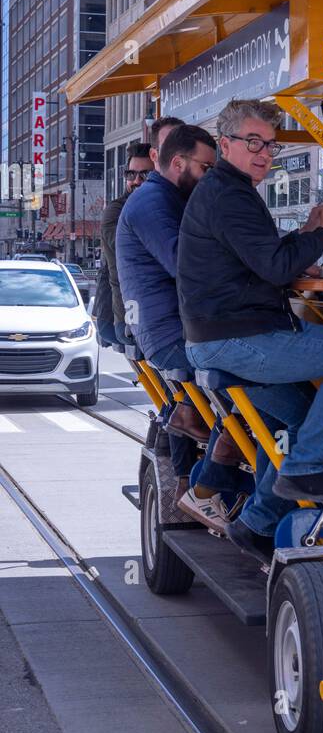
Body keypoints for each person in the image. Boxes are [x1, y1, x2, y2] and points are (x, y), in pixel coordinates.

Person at [178, 98, 323, 561]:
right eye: (253, 142)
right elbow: (274, 267)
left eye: (270, 144)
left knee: (307, 412)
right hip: (236, 337)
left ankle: (257, 522)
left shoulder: (230, 191)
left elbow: (261, 259)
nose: (264, 152)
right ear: (226, 145)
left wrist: (307, 231)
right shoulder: (230, 195)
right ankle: (304, 468)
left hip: (217, 337)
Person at [116, 122, 230, 513]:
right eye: (206, 167)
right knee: (264, 387)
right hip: (173, 336)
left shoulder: (167, 198)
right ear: (178, 163)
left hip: (179, 328)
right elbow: (187, 264)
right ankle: (208, 491)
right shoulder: (152, 202)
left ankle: (191, 425)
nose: (210, 175)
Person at [93, 141, 152, 348]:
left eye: (145, 175)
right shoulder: (117, 211)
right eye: (131, 174)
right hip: (122, 316)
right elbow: (135, 259)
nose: (136, 181)